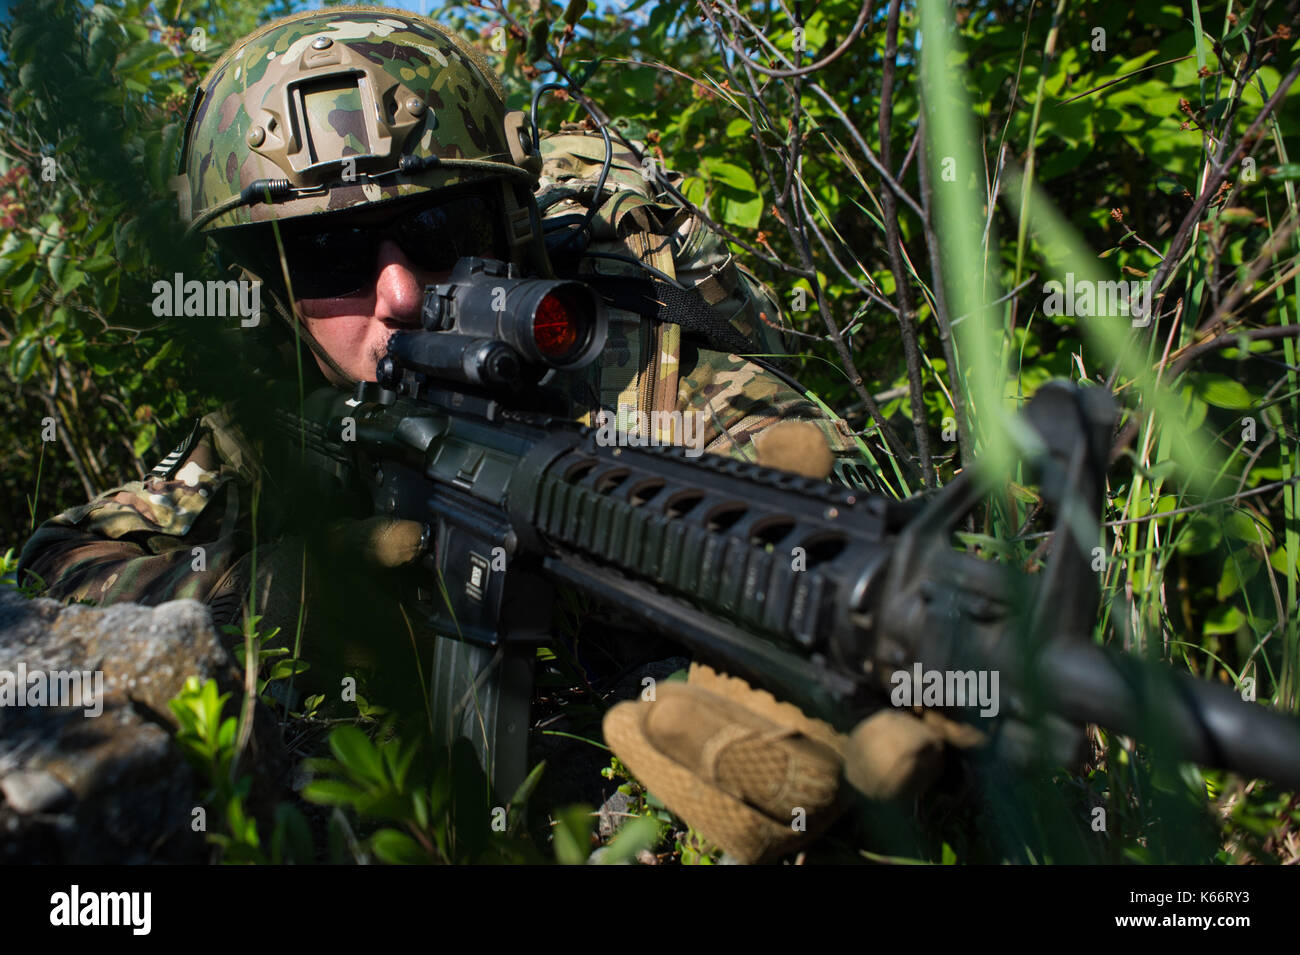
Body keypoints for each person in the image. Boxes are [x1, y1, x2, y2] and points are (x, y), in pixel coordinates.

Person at [18, 8, 949, 863]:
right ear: (268, 283)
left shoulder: (649, 378)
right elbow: (60, 552)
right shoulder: (282, 416)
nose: (399, 293)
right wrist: (247, 592)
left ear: (505, 220)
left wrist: (846, 685)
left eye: (435, 224)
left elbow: (864, 561)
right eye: (332, 253)